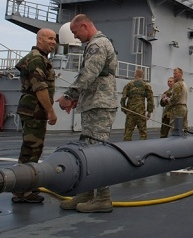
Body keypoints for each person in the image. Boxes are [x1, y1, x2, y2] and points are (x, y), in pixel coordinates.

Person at [57, 14, 118, 213]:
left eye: (75, 32)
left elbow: (89, 74)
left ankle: (103, 198)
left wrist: (69, 95)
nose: (75, 37)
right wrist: (77, 99)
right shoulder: (96, 44)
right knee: (89, 151)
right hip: (94, 104)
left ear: (84, 26)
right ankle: (86, 193)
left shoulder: (97, 45)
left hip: (99, 106)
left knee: (98, 152)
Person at [12, 28, 58, 203]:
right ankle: (22, 190)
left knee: (33, 149)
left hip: (33, 111)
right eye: (49, 39)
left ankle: (27, 184)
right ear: (40, 40)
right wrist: (50, 111)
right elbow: (39, 87)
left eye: (54, 39)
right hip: (33, 111)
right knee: (31, 150)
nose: (53, 42)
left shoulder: (40, 58)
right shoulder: (37, 59)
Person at [121, 69, 154, 141]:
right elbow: (150, 99)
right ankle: (142, 149)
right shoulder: (146, 85)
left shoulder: (129, 85)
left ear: (135, 74)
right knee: (143, 133)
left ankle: (126, 148)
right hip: (141, 113)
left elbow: (123, 97)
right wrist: (149, 112)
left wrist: (124, 108)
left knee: (128, 133)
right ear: (142, 75)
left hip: (130, 112)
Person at [168, 67, 188, 133]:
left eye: (176, 73)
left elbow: (175, 98)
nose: (174, 75)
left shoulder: (177, 84)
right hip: (184, 107)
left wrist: (168, 100)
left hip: (178, 108)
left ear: (181, 74)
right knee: (184, 127)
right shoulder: (184, 84)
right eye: (174, 73)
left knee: (175, 128)